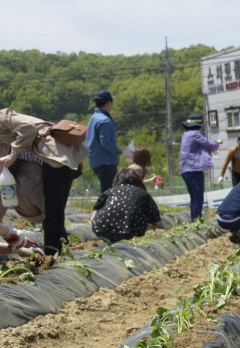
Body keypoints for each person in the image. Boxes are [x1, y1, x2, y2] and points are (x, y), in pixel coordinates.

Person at [0, 107, 87, 255]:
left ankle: (55, 256)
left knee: (53, 214)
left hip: (55, 156)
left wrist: (12, 155)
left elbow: (27, 129)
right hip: (38, 165)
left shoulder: (2, 117)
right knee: (50, 214)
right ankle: (58, 253)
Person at [90, 168, 162, 243]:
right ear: (138, 181)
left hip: (102, 230)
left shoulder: (108, 192)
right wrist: (151, 230)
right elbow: (155, 220)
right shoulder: (142, 193)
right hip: (130, 232)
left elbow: (94, 215)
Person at [179, 113, 222, 221]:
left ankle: (194, 219)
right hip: (193, 170)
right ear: (199, 126)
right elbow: (209, 144)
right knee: (198, 197)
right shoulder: (196, 134)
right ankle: (196, 220)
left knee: (193, 197)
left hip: (185, 170)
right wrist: (217, 142)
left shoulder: (186, 134)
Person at [86, 89, 122, 196]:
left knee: (107, 192)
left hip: (95, 161)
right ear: (108, 103)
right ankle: (101, 212)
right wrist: (121, 152)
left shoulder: (93, 118)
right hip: (106, 161)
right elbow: (105, 142)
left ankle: (101, 212)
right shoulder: (104, 121)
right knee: (109, 193)